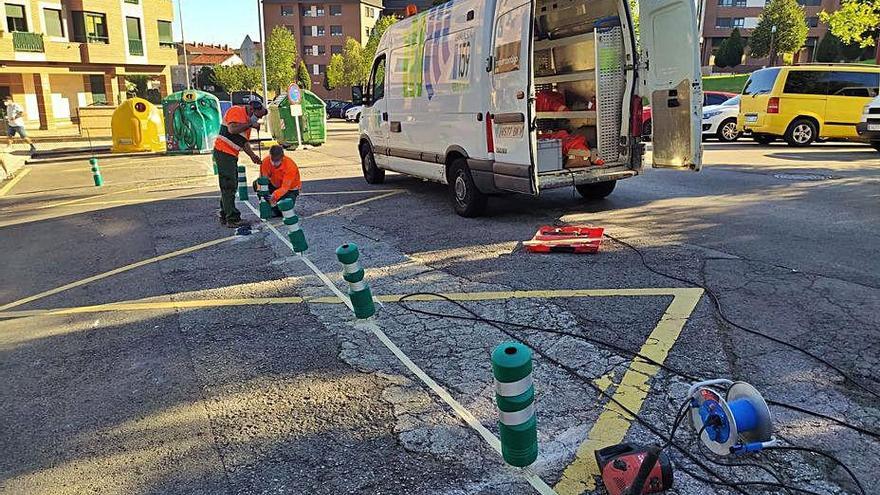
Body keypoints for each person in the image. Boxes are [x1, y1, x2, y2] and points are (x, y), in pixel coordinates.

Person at [213, 100, 267, 227]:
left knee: (230, 184)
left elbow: (244, 143)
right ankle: (232, 218)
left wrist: (253, 156)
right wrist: (249, 124)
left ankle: (225, 214)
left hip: (231, 154)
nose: (258, 119)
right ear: (252, 109)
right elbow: (232, 129)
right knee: (229, 185)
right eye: (258, 116)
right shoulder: (236, 111)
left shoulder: (247, 123)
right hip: (223, 152)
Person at [255, 145, 302, 216]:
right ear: (270, 156)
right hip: (275, 185)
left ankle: (274, 207)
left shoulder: (290, 166)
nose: (274, 163)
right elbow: (264, 179)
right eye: (272, 160)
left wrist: (274, 196)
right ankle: (269, 206)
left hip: (290, 189)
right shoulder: (265, 162)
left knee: (283, 210)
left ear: (282, 157)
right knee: (256, 184)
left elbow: (285, 188)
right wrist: (261, 191)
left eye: (277, 160)